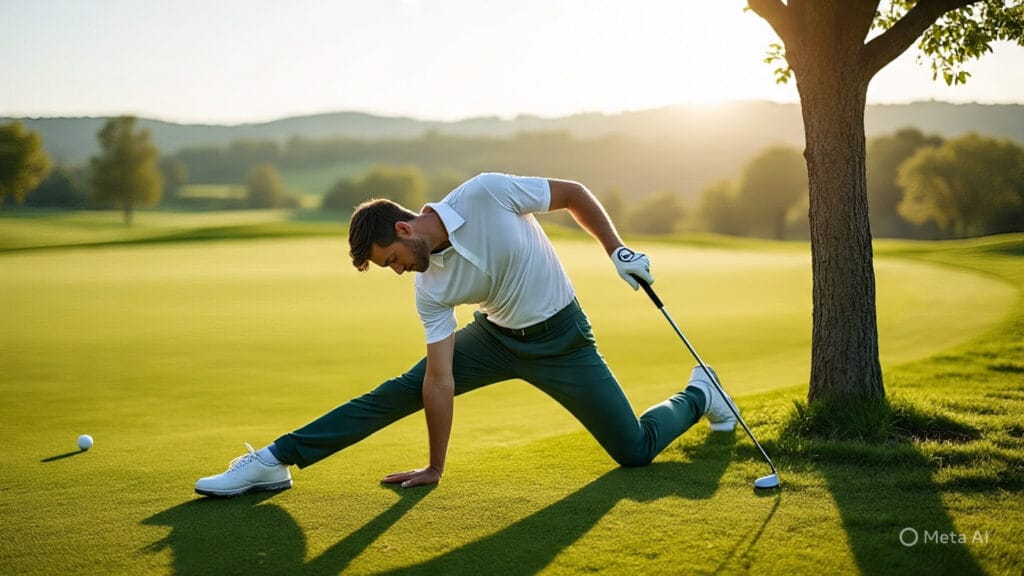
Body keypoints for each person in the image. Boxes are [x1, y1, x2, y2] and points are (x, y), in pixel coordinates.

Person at [195, 173, 738, 497]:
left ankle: (700, 393)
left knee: (634, 450)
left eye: (392, 260)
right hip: (496, 339)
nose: (398, 271)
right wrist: (436, 465)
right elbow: (437, 381)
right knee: (397, 391)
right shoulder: (429, 289)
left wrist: (616, 248)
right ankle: (271, 462)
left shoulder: (486, 193)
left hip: (563, 339)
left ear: (404, 230)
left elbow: (572, 193)